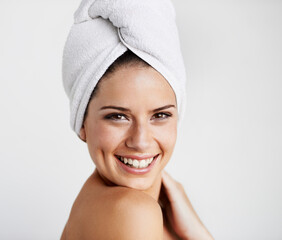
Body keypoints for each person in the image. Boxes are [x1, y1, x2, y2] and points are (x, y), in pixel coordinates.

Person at [61, 0, 214, 239]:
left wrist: (195, 231)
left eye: (160, 115)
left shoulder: (106, 204)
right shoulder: (131, 212)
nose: (141, 141)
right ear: (82, 123)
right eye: (118, 116)